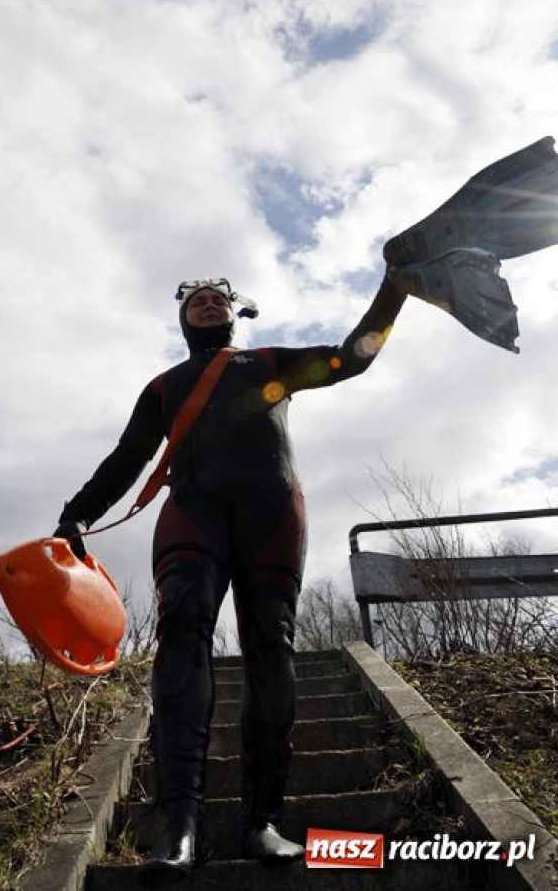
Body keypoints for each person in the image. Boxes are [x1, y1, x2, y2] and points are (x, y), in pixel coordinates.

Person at [54, 272, 406, 887]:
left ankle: (262, 822)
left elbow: (352, 358)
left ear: (234, 314)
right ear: (185, 319)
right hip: (195, 511)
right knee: (183, 631)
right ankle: (180, 828)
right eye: (197, 302)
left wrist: (395, 288)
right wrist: (78, 512)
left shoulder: (269, 362)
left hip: (272, 511)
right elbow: (125, 460)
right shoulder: (163, 387)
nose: (209, 305)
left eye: (218, 299)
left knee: (271, 644)